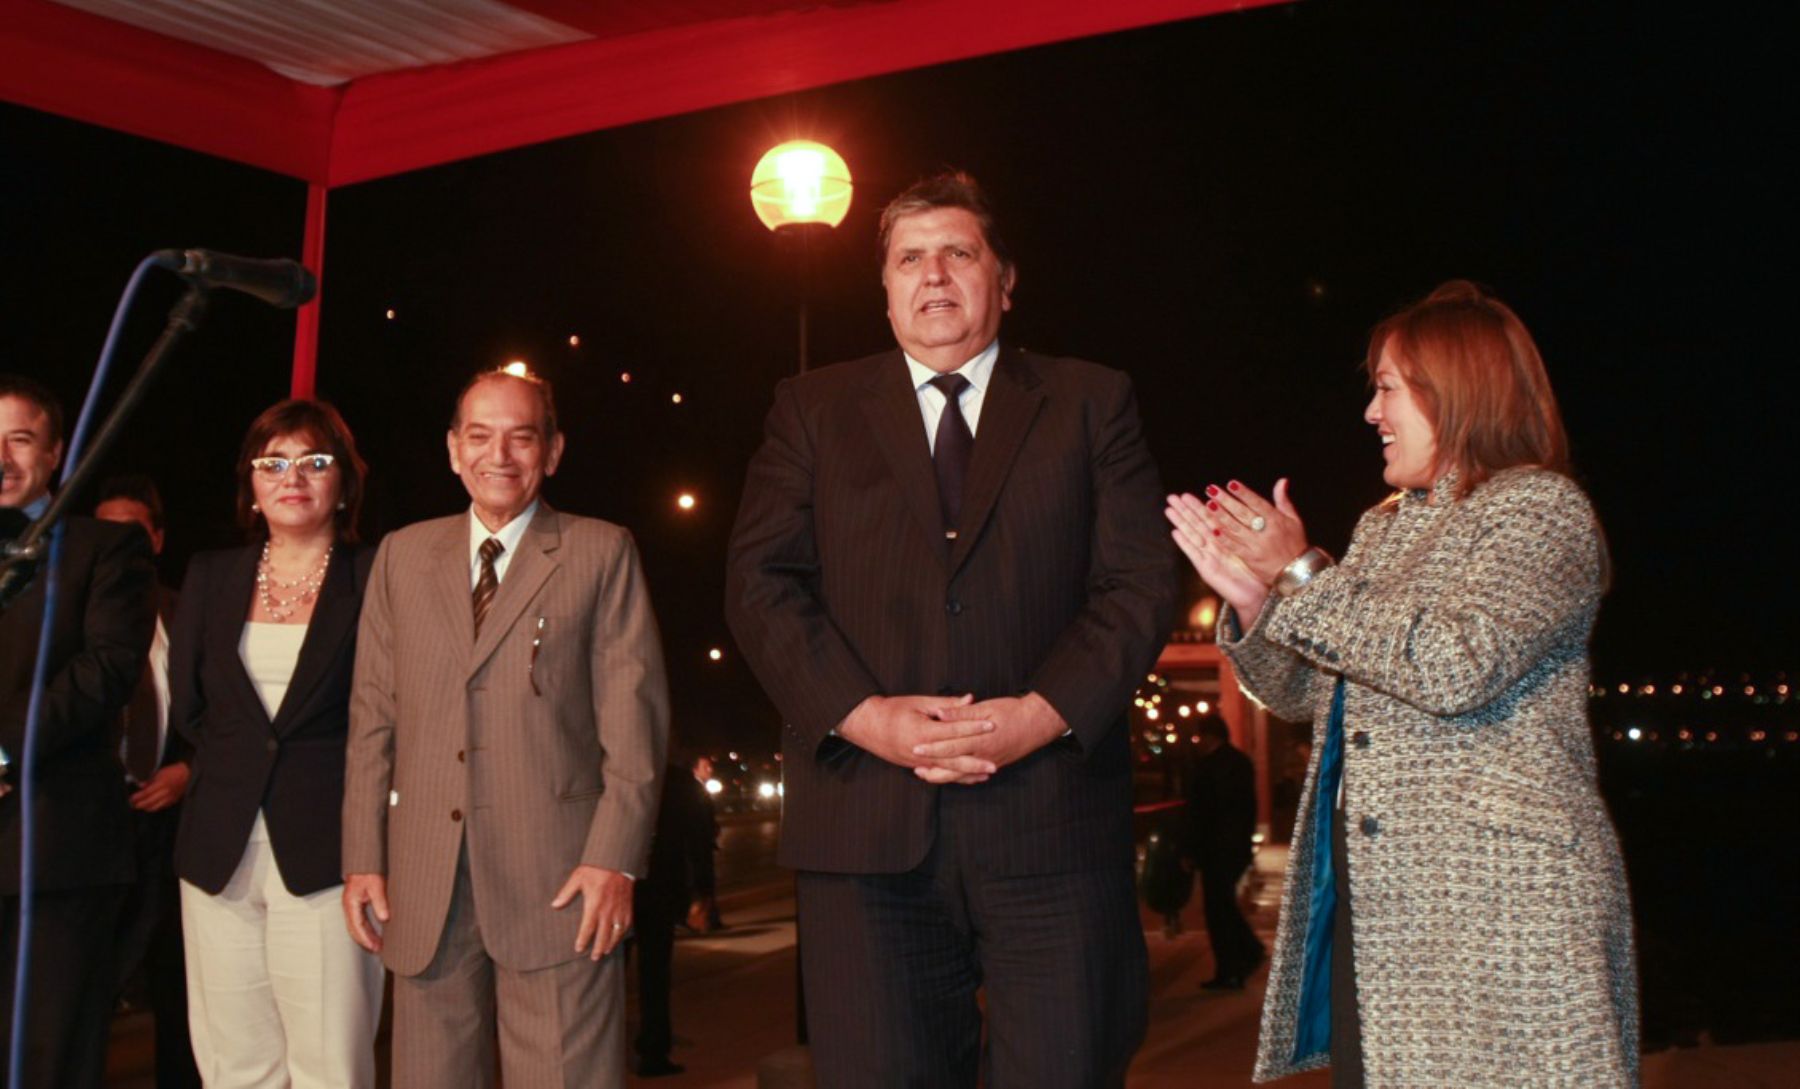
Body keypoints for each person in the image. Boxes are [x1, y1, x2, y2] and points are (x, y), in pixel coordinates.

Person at [726, 171, 1175, 1087]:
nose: (934, 274)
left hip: (1051, 827)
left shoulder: (1094, 401)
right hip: (866, 834)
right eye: (909, 258)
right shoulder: (809, 409)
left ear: (1004, 281)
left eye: (958, 253)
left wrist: (1040, 714)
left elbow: (1137, 583)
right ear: (884, 290)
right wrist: (865, 717)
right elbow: (758, 584)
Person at [1166, 281, 1638, 1086]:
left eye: (1387, 387)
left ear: (1457, 391)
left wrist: (1303, 573)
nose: (1371, 413)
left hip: (1503, 918)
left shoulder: (1538, 511)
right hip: (1388, 915)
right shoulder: (1385, 528)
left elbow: (1455, 663)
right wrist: (1258, 603)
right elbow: (1322, 697)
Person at [342, 368, 670, 1089]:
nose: (501, 454)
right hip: (425, 883)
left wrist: (614, 860)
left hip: (562, 882)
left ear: (552, 451)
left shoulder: (600, 551)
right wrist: (363, 854)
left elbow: (635, 725)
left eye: (521, 437)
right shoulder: (402, 555)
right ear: (454, 449)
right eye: (480, 436)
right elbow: (372, 719)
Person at [168, 399, 384, 1087]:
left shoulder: (378, 574)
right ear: (251, 485)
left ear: (345, 481)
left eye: (316, 461)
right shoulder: (210, 575)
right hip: (217, 846)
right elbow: (192, 706)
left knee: (330, 1060)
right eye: (274, 462)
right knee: (235, 1062)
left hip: (329, 851)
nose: (294, 477)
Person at [0, 373, 155, 1089]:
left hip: (56, 851)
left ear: (56, 451)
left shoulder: (105, 548)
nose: (1, 456)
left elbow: (106, 671)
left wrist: (6, 747)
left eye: (20, 439)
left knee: (50, 1057)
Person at [95, 474, 202, 1089]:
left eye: (131, 532)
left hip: (169, 840)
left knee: (178, 997)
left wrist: (189, 771)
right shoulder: (60, 615)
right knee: (84, 1000)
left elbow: (223, 716)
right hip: (88, 837)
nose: (117, 545)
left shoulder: (187, 612)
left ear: (156, 539)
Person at [631, 750, 718, 1077]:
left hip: (623, 884)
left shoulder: (614, 769)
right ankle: (653, 1050)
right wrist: (703, 892)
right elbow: (700, 841)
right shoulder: (680, 783)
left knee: (608, 973)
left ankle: (612, 1048)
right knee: (655, 974)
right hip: (660, 886)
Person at [1179, 716, 1263, 990]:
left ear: (1209, 736)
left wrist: (1190, 849)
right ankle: (1248, 953)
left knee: (1219, 912)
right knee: (1225, 907)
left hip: (1213, 849)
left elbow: (1198, 815)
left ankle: (1231, 969)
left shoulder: (1206, 768)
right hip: (1235, 847)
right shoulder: (1240, 763)